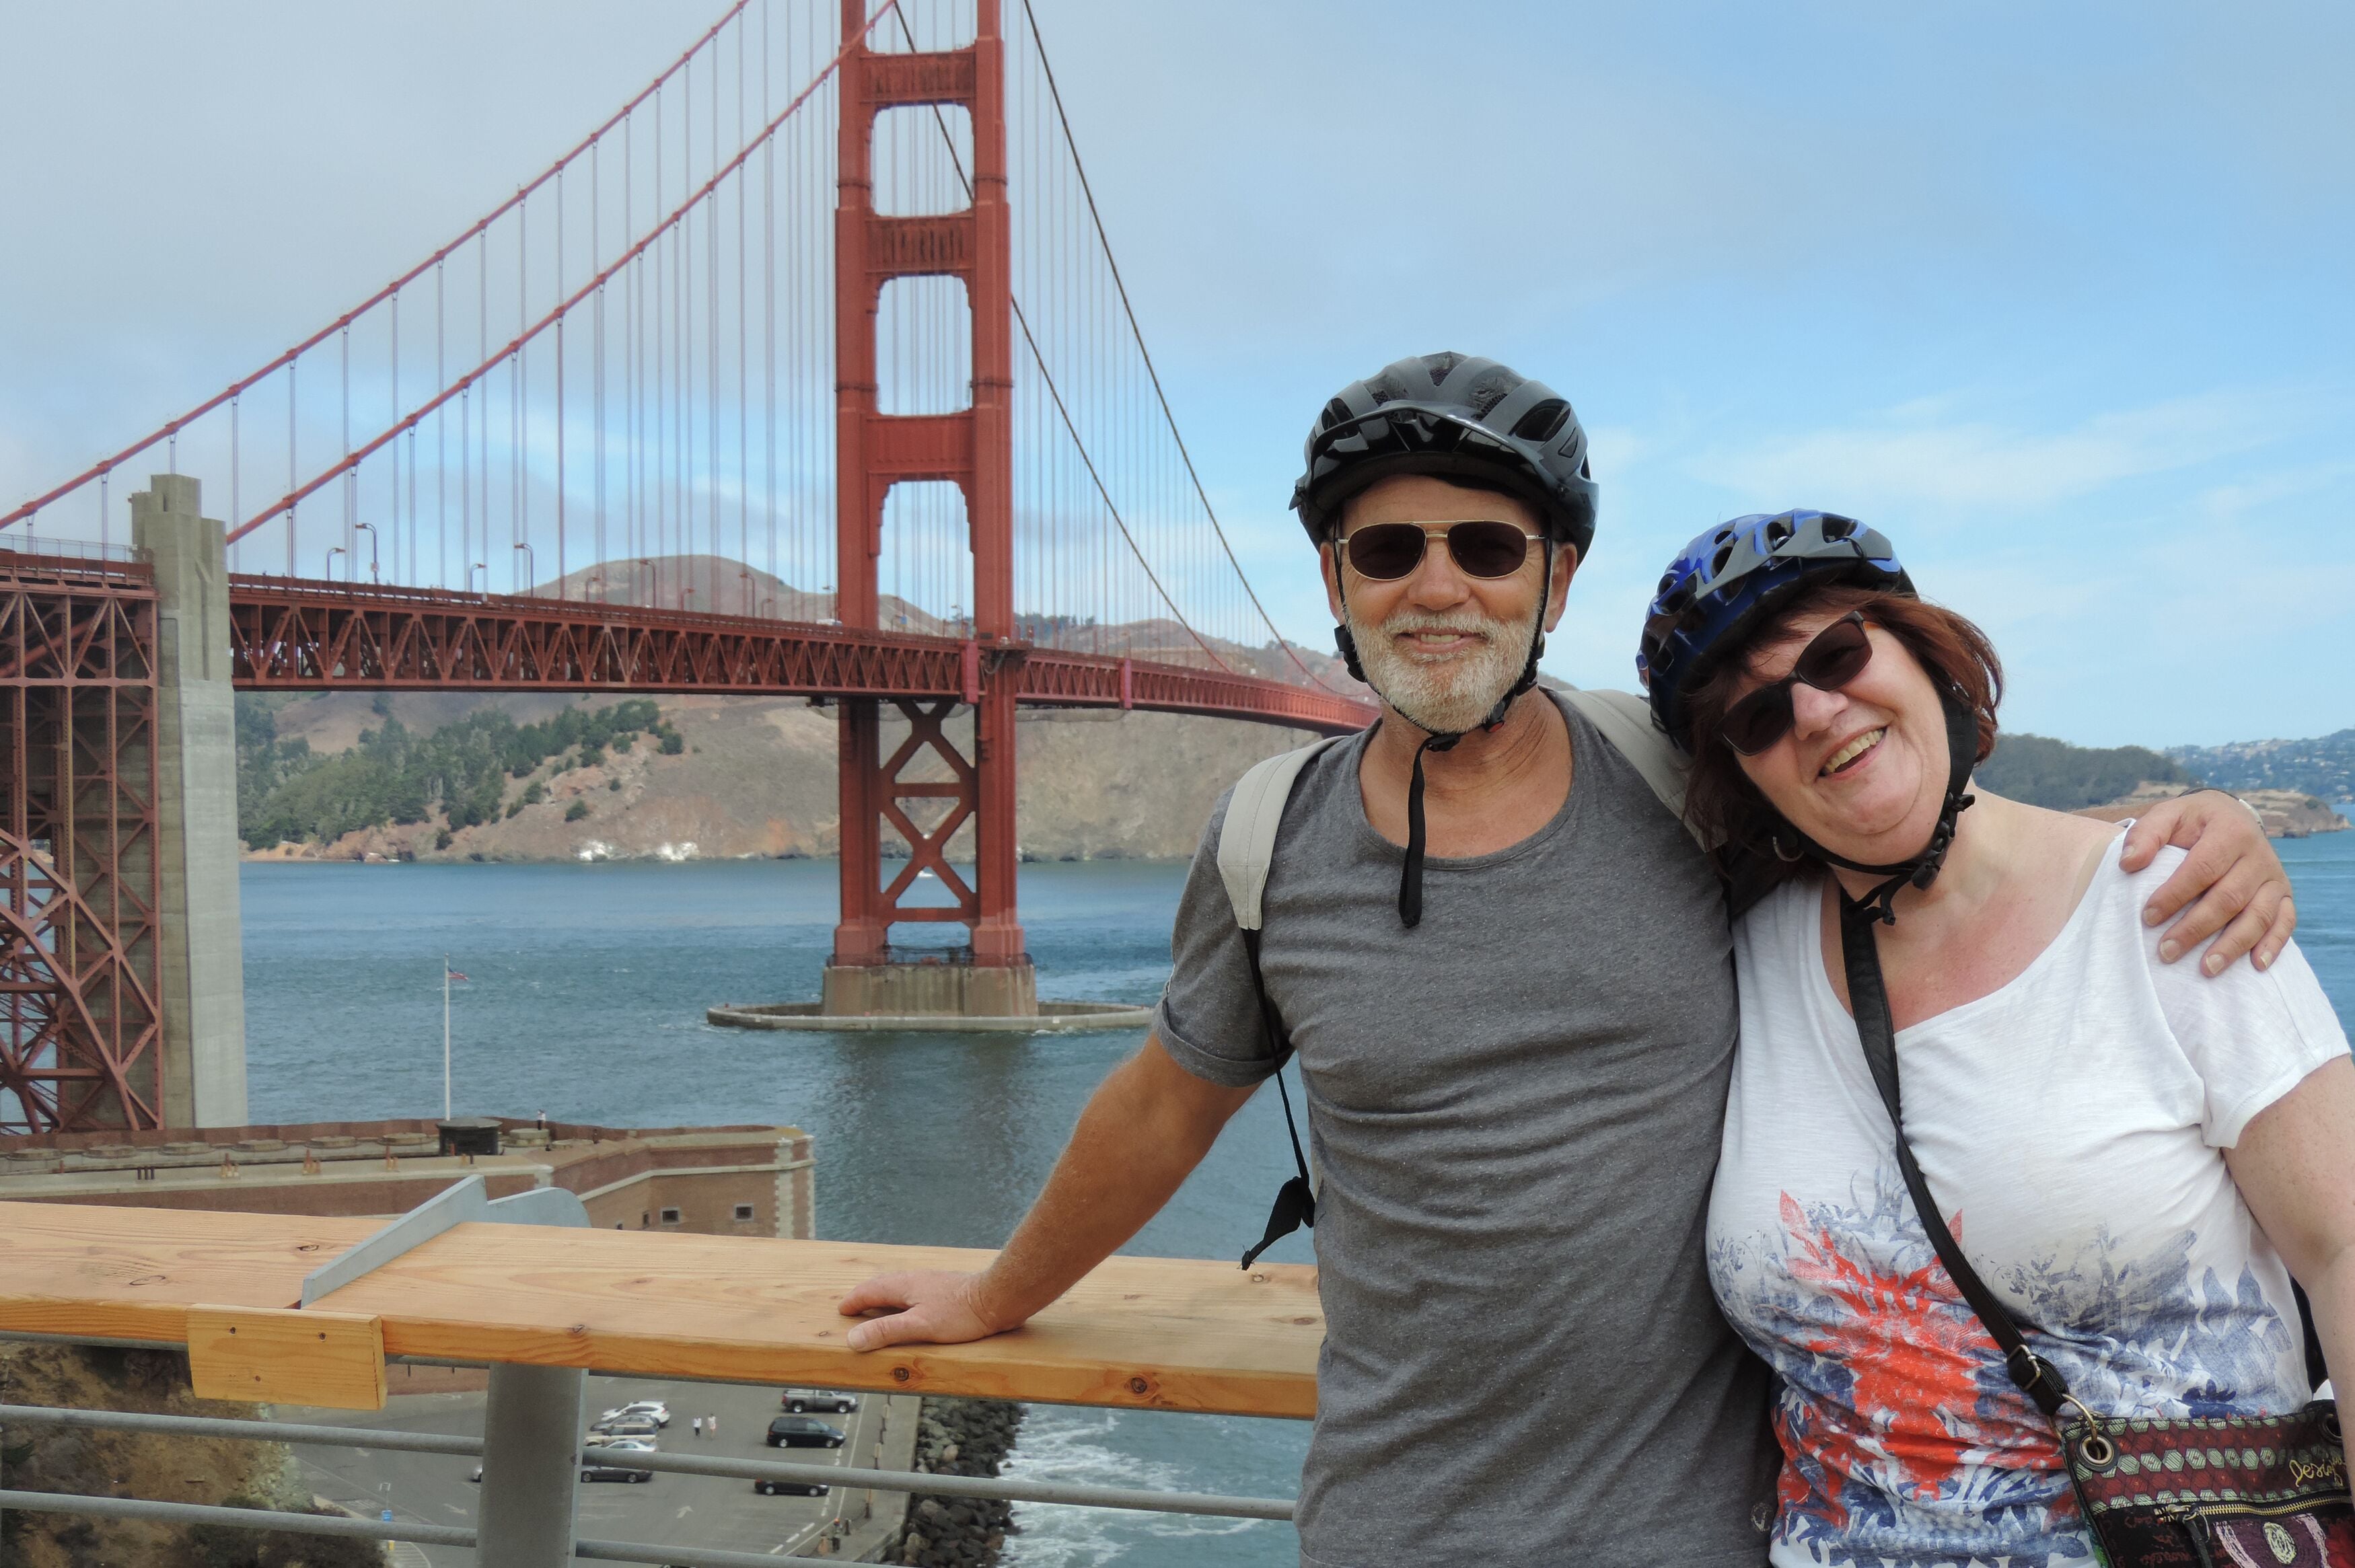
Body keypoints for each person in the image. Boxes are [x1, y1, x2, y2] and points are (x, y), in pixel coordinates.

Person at [837, 357, 2296, 1566]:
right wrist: (993, 1292)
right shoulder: (1265, 841)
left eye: (1486, 547)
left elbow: (1894, 810)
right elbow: (1166, 1100)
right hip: (1392, 1526)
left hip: (1707, 1531)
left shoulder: (1678, 772)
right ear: (1334, 581)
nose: (1437, 587)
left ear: (1556, 574)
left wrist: (2179, 837)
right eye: (1387, 548)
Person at [1639, 510, 2353, 1565]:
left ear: (1928, 653)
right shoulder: (1743, 964)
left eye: (1839, 654)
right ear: (1739, 773)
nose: (1820, 711)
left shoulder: (2174, 903)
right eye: (1757, 716)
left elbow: (2342, 1250)